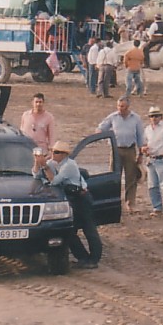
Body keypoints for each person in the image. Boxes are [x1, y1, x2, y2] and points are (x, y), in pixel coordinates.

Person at [46, 140, 102, 269]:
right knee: (71, 230)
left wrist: (45, 167)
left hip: (81, 198)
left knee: (89, 229)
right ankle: (84, 258)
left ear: (64, 154)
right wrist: (39, 164)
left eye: (56, 152)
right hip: (75, 199)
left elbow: (54, 182)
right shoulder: (56, 164)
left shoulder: (69, 165)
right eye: (52, 151)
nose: (53, 154)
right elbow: (37, 174)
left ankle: (93, 259)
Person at [96, 96, 145, 213]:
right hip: (115, 150)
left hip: (130, 150)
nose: (120, 108)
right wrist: (99, 132)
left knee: (131, 177)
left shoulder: (136, 118)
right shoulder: (113, 117)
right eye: (118, 106)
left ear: (128, 106)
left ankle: (130, 203)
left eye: (122, 106)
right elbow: (101, 127)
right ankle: (114, 202)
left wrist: (141, 154)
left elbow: (140, 137)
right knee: (114, 176)